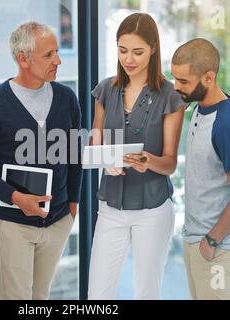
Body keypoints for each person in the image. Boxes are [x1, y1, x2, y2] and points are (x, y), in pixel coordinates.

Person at [0, 22, 82, 300]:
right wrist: (16, 197)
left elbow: (75, 154)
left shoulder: (67, 98)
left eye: (57, 52)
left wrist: (72, 204)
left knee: (40, 298)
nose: (58, 60)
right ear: (23, 59)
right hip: (14, 225)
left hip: (57, 222)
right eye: (49, 54)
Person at [88, 13, 186, 300]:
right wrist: (105, 160)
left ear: (153, 49)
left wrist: (148, 161)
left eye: (137, 52)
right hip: (110, 208)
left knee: (146, 292)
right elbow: (96, 140)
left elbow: (169, 163)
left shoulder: (170, 95)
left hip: (152, 210)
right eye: (122, 50)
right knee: (97, 295)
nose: (128, 59)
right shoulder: (106, 89)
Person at [171, 38, 230, 300]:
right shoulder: (200, 107)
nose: (176, 87)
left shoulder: (226, 124)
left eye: (183, 81)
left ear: (209, 77)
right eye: (175, 78)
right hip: (196, 240)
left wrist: (211, 241)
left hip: (215, 248)